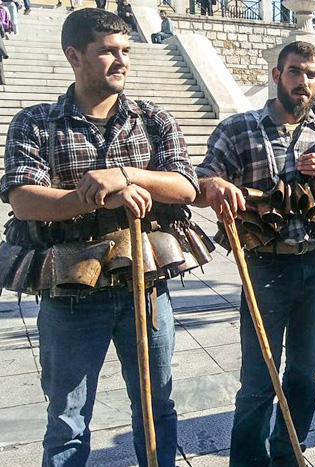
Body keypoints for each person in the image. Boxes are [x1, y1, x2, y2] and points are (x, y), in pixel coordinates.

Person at [2, 9, 201, 466]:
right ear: (74, 56)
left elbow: (186, 186)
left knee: (156, 408)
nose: (122, 60)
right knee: (67, 421)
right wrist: (97, 197)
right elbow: (24, 200)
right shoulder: (36, 123)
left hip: (145, 292)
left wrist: (126, 174)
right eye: (108, 51)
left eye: (125, 50)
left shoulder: (153, 119)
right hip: (70, 293)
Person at [194, 41, 315, 467]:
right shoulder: (239, 129)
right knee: (258, 379)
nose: (302, 81)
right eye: (294, 71)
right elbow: (200, 182)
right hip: (265, 265)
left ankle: (288, 455)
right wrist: (216, 185)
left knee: (305, 374)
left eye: (310, 74)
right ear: (277, 76)